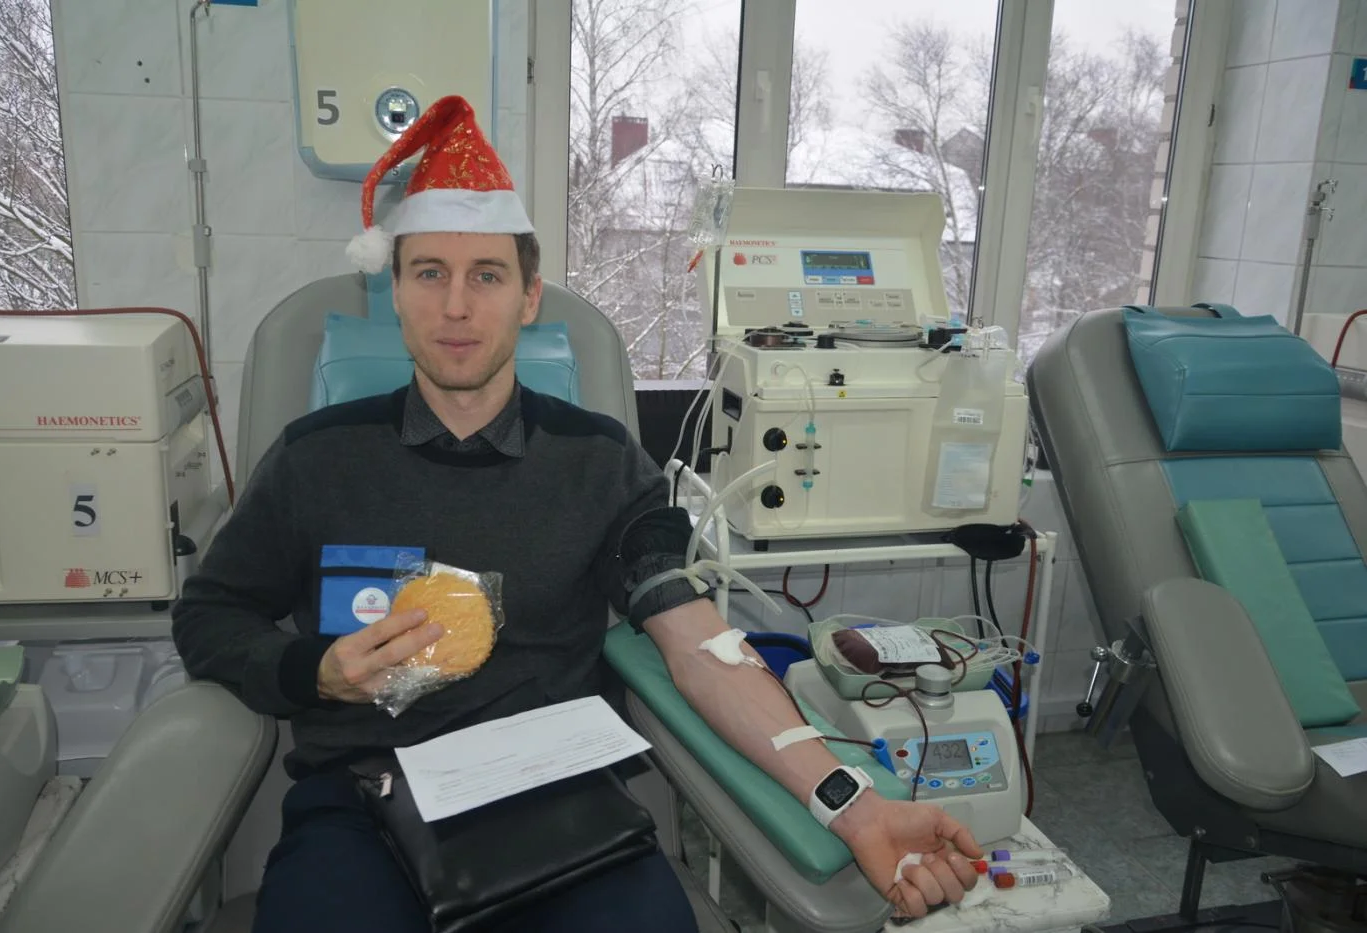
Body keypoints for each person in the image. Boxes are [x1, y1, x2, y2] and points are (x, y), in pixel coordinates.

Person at [171, 94, 981, 933]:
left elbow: (697, 642)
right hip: (363, 802)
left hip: (558, 802)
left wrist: (855, 806)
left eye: (487, 275)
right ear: (396, 290)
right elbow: (208, 615)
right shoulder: (316, 458)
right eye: (430, 273)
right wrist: (315, 670)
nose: (457, 306)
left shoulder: (600, 462)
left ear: (529, 297)